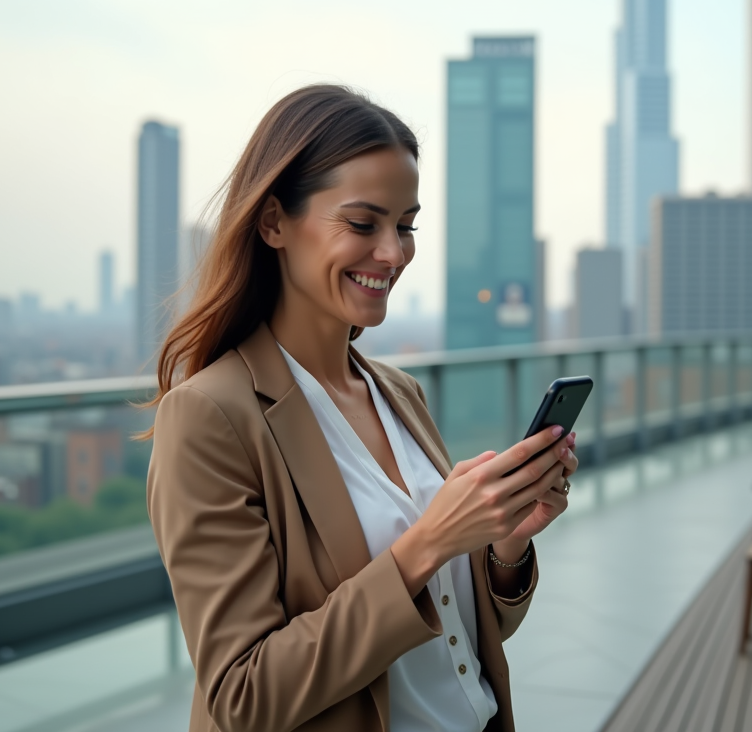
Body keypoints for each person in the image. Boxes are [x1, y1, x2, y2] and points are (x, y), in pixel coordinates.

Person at [144, 84, 578, 732]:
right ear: (273, 223)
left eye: (406, 226)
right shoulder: (210, 417)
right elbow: (243, 697)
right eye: (363, 223)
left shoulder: (400, 394)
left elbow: (459, 642)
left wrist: (505, 546)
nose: (394, 253)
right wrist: (426, 546)